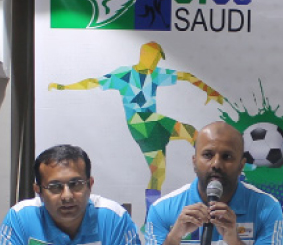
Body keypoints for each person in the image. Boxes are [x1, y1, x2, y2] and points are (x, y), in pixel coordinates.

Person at [48, 41, 226, 216]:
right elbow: (93, 82)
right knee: (190, 132)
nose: (155, 62)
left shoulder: (156, 75)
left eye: (158, 59)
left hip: (151, 130)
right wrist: (64, 87)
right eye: (154, 57)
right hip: (141, 123)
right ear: (144, 54)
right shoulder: (125, 75)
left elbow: (185, 76)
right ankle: (218, 170)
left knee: (158, 174)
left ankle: (151, 216)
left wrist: (210, 91)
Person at [142, 121, 283, 245]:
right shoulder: (162, 209)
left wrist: (234, 242)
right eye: (208, 155)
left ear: (241, 165)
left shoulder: (267, 207)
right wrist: (174, 238)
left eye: (227, 156)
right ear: (194, 162)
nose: (216, 164)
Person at [0, 145, 144, 245]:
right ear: (39, 192)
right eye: (55, 187)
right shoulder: (20, 217)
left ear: (90, 185)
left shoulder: (114, 217)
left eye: (76, 184)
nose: (67, 196)